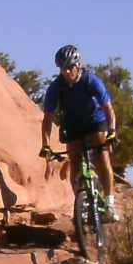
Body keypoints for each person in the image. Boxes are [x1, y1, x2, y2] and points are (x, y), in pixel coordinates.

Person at [39, 44, 120, 221]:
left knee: (102, 156)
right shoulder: (56, 87)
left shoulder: (90, 80)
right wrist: (45, 145)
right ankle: (81, 204)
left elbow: (108, 110)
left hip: (94, 122)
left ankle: (109, 203)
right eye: (62, 68)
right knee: (74, 163)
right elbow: (47, 119)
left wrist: (112, 131)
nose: (67, 71)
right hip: (72, 126)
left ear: (78, 65)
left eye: (70, 67)